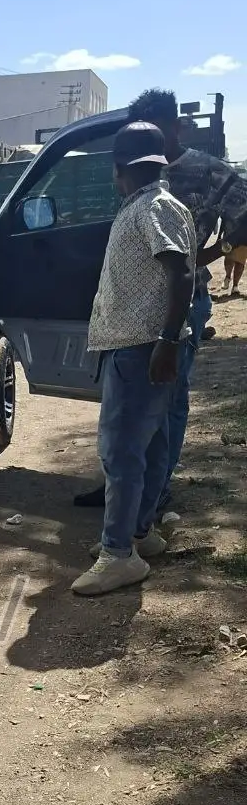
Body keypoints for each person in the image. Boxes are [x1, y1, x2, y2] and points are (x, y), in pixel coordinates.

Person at [73, 88, 247, 513]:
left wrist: (212, 254)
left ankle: (153, 494)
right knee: (131, 409)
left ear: (177, 127)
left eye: (161, 130)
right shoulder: (138, 172)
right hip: (135, 311)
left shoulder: (211, 172)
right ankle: (126, 489)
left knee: (167, 403)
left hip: (182, 302)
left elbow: (240, 224)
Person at [72, 121, 196, 597]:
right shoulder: (153, 205)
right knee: (151, 444)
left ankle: (118, 554)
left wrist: (166, 341)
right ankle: (140, 535)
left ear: (119, 168)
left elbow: (181, 273)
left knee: (121, 450)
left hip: (142, 347)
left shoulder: (154, 207)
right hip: (146, 345)